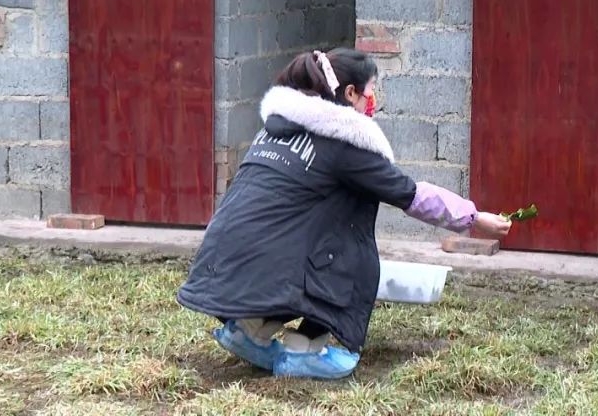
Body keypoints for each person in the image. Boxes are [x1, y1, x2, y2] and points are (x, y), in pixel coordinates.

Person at [176, 47, 512, 380]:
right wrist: (473, 217)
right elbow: (408, 193)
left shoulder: (272, 130)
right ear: (350, 93)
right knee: (349, 250)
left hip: (222, 261)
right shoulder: (345, 143)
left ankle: (248, 328)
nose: (374, 100)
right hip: (271, 263)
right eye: (371, 90)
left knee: (307, 234)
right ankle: (305, 348)